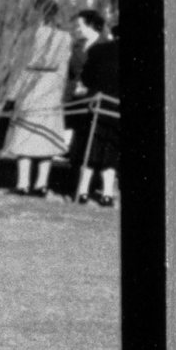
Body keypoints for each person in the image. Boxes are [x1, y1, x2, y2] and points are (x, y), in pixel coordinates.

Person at [3, 0, 72, 195]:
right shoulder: (64, 37)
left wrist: (12, 94)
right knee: (45, 138)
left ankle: (23, 184)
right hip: (51, 89)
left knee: (26, 135)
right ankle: (41, 184)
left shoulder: (25, 36)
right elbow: (64, 69)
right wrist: (60, 94)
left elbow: (17, 66)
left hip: (29, 87)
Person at [70, 11, 119, 206]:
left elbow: (87, 79)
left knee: (88, 148)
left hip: (94, 104)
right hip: (116, 109)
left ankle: (82, 192)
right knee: (110, 150)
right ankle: (107, 194)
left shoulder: (99, 51)